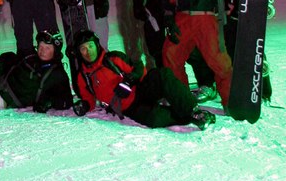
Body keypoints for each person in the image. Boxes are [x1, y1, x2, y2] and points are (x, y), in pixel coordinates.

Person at [72, 28, 214, 130]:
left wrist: (130, 80)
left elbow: (138, 67)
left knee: (162, 75)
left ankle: (193, 110)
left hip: (140, 90)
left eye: (90, 46)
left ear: (97, 45)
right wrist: (83, 105)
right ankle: (191, 117)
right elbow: (88, 99)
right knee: (154, 119)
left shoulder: (113, 58)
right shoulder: (83, 76)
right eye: (83, 49)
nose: (88, 51)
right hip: (130, 108)